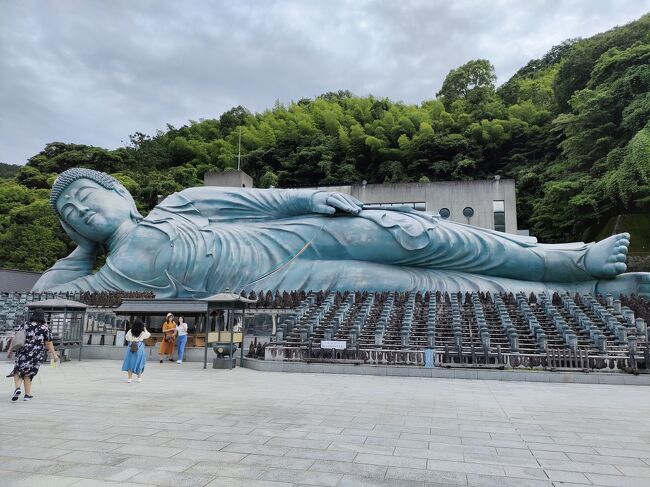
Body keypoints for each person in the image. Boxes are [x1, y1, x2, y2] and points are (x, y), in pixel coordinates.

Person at [32, 168, 650, 298]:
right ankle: (588, 294)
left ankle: (564, 260)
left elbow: (266, 201)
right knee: (415, 289)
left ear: (122, 192)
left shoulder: (181, 204)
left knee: (414, 236)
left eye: (87, 196)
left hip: (298, 237)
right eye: (70, 215)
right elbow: (44, 299)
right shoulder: (100, 274)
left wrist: (309, 198)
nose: (81, 211)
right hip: (279, 281)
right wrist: (85, 250)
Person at [6, 309, 58, 402]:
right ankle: (27, 395)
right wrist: (54, 354)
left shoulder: (24, 325)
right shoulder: (45, 328)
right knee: (29, 373)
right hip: (36, 353)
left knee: (18, 370)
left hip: (23, 351)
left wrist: (10, 350)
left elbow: (15, 338)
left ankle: (17, 388)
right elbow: (48, 342)